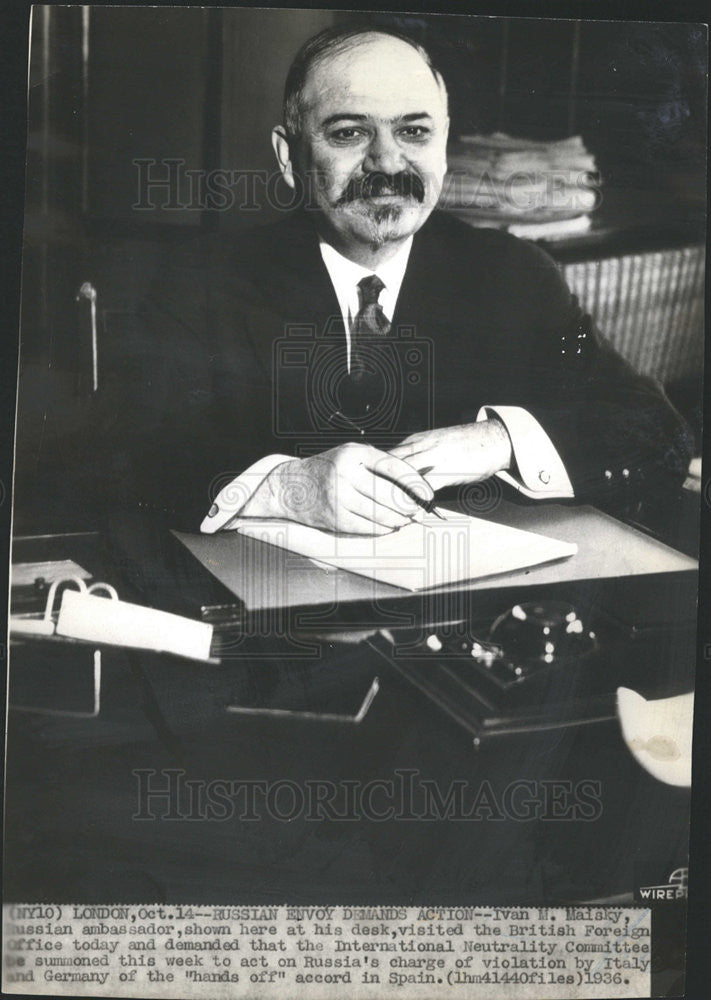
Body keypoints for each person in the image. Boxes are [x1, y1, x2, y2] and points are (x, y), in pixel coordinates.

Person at [105, 25, 691, 533]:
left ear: (443, 143)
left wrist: (500, 441)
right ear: (289, 157)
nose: (388, 162)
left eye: (414, 132)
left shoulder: (512, 276)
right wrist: (289, 487)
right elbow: (127, 452)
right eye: (348, 133)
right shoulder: (200, 281)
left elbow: (652, 427)